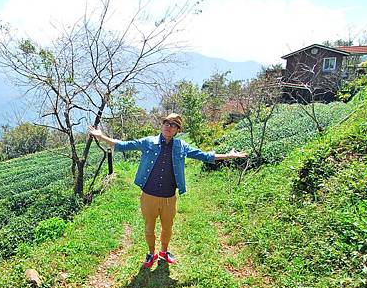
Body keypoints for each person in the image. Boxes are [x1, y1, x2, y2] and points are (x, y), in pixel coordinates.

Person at [88, 113, 247, 268]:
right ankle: (151, 253)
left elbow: (204, 156)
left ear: (177, 130)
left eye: (173, 125)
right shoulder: (148, 142)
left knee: (167, 228)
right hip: (148, 196)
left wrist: (228, 155)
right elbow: (123, 145)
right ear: (162, 125)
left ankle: (163, 252)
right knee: (149, 228)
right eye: (166, 123)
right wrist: (101, 136)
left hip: (169, 198)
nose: (168, 127)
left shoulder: (181, 146)